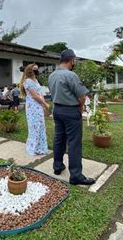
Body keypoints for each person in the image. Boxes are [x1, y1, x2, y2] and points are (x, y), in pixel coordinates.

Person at [48, 49, 95, 186]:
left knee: (59, 139)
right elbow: (81, 96)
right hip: (70, 111)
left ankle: (57, 167)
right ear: (72, 60)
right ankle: (75, 175)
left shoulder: (52, 75)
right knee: (74, 142)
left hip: (57, 109)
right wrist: (81, 108)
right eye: (74, 60)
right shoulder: (71, 75)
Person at [20, 64, 50, 156]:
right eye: (35, 69)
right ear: (30, 70)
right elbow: (34, 96)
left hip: (39, 106)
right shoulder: (27, 81)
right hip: (32, 107)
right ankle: (34, 148)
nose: (37, 70)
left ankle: (41, 148)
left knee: (40, 126)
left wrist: (44, 104)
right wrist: (45, 104)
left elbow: (40, 93)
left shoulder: (36, 80)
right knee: (34, 127)